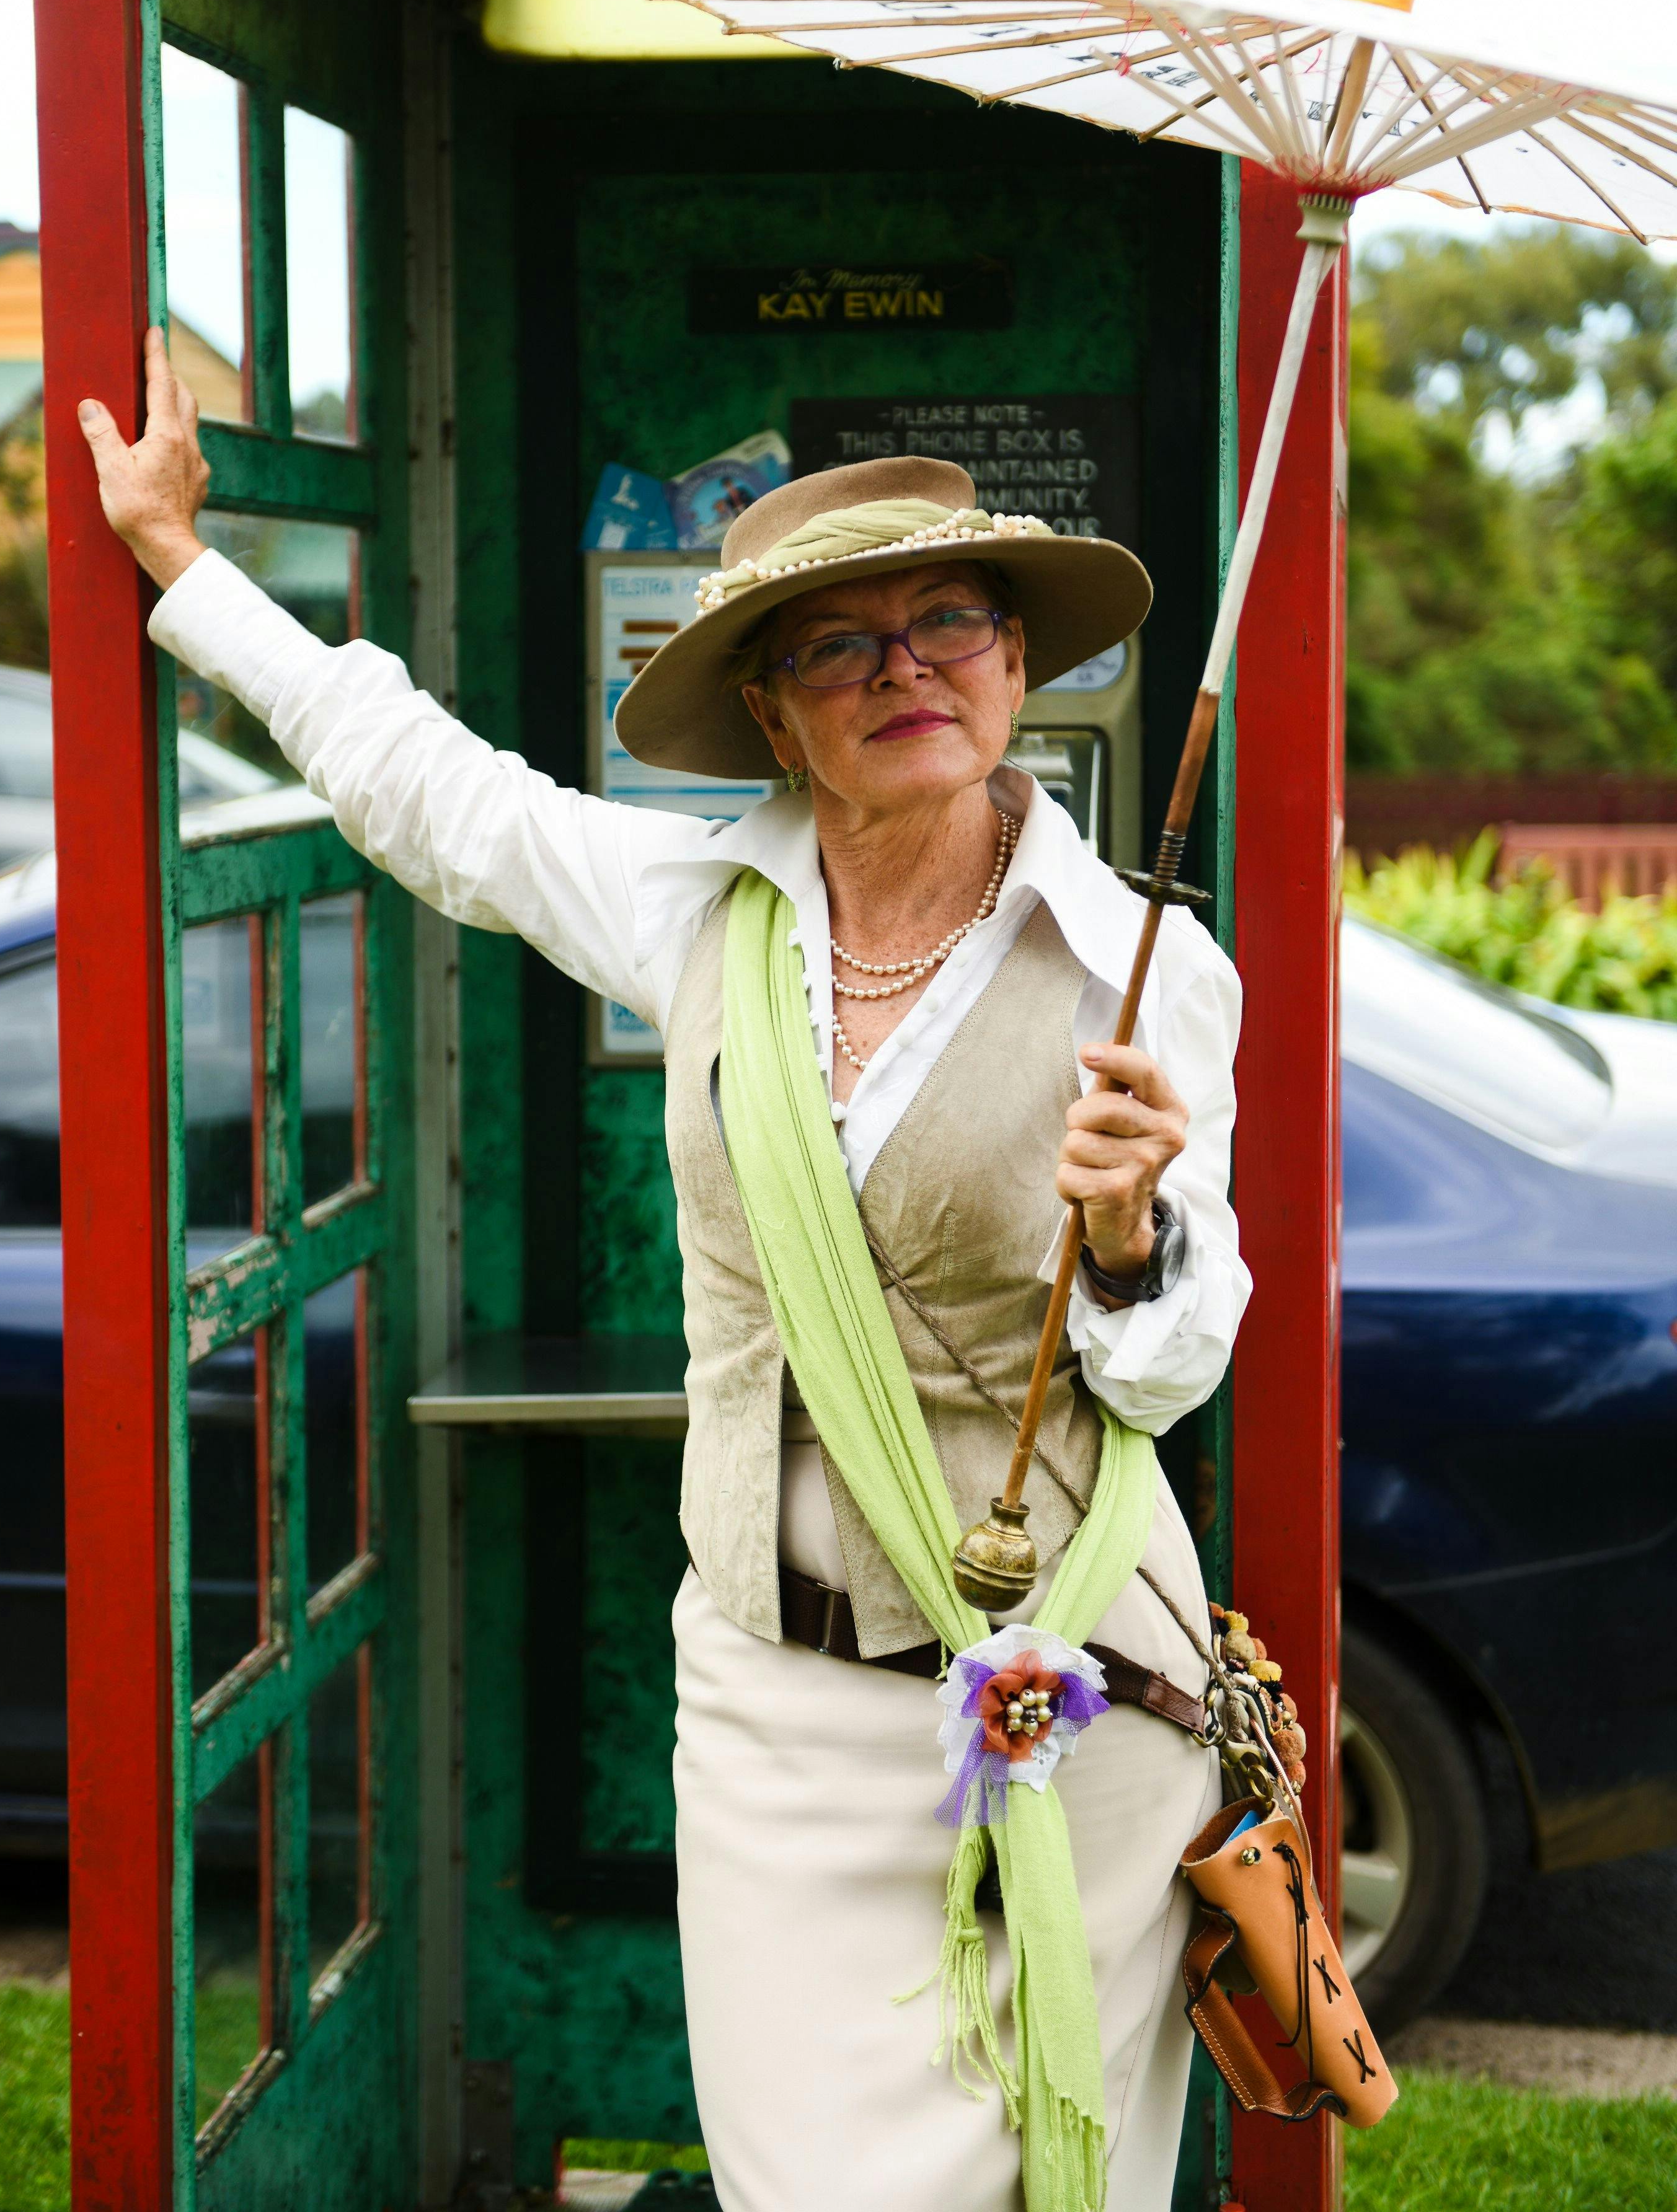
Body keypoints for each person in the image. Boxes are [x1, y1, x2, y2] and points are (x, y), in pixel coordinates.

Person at [79, 333, 1251, 2212]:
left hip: (1068, 1686)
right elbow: (436, 798)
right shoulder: (698, 912)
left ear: (1021, 663)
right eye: (839, 646)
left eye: (950, 622)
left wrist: (1130, 1236)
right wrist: (187, 568)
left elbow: (1177, 1365)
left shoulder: (1141, 970)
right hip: (776, 1708)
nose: (906, 671)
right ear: (775, 717)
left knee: (1050, 2176)